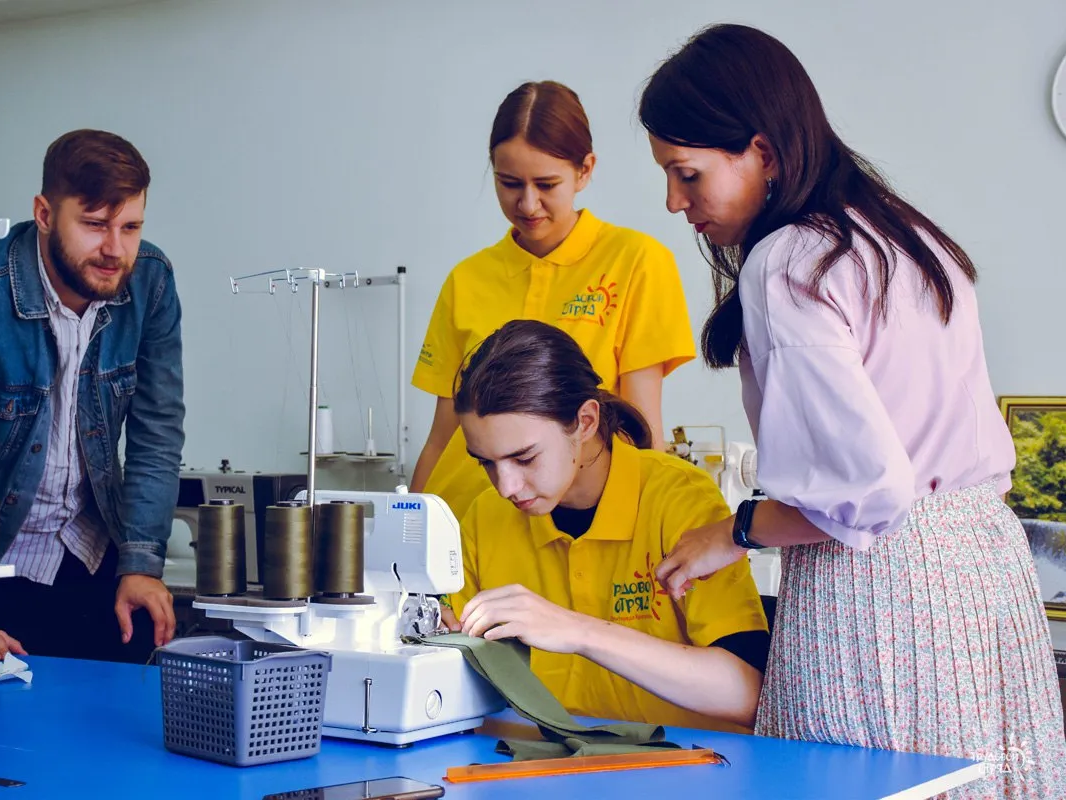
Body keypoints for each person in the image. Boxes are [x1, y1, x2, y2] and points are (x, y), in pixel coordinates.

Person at [642, 24, 1065, 796]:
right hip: (983, 573)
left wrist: (732, 531)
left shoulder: (786, 262)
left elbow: (866, 496)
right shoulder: (902, 236)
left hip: (882, 591)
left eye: (687, 175)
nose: (675, 202)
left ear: (762, 153)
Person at [0, 129, 185, 666]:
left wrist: (143, 563)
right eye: (95, 225)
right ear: (45, 213)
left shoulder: (152, 283)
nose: (115, 250)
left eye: (131, 227)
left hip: (96, 558)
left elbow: (157, 433)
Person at [447, 319, 768, 732]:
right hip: (532, 771)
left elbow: (748, 695)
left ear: (585, 422)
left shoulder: (679, 497)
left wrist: (579, 631)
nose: (505, 486)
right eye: (486, 462)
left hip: (683, 772)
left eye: (524, 458)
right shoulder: (484, 515)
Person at [410, 80, 696, 524]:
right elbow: (441, 437)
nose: (528, 204)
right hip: (466, 519)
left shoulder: (637, 261)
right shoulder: (466, 279)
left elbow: (642, 426)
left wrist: (644, 527)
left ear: (585, 171)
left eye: (546, 184)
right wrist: (409, 525)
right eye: (509, 183)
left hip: (571, 516)